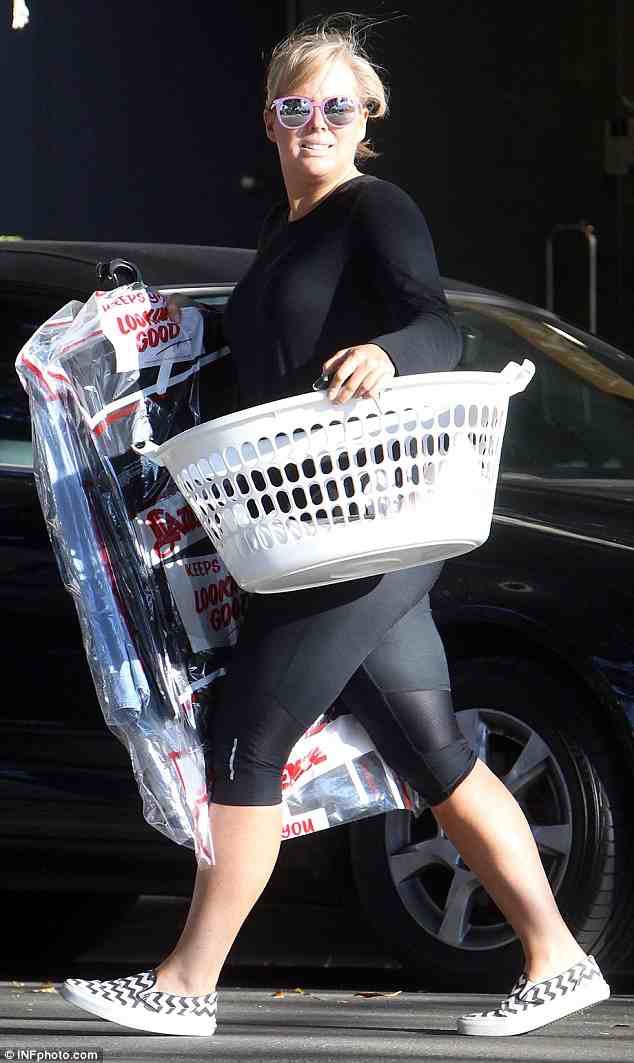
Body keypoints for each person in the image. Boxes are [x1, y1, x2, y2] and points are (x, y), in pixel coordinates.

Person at [59, 14, 610, 1039]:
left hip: (361, 525)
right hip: (320, 525)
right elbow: (259, 365)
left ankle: (185, 981)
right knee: (434, 754)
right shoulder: (283, 230)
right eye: (295, 107)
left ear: (368, 118)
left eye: (337, 108)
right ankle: (560, 959)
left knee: (247, 738)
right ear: (267, 122)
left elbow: (436, 320)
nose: (316, 124)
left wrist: (389, 355)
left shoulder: (375, 209)